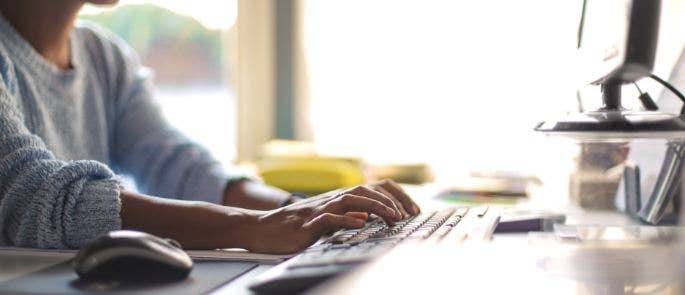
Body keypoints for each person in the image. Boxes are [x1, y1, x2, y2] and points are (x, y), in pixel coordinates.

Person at [0, 0, 420, 254]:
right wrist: (249, 227)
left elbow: (179, 166)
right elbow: (37, 198)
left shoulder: (103, 57)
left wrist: (296, 208)